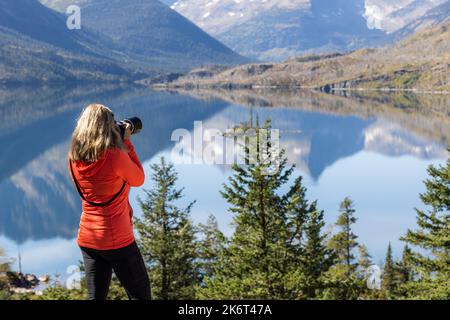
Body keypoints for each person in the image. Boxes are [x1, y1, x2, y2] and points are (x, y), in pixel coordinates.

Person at [67, 104, 150, 300]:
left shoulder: (73, 158)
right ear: (106, 127)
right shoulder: (114, 157)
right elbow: (138, 178)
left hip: (88, 238)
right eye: (113, 124)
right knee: (140, 296)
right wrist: (126, 143)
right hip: (117, 238)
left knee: (96, 297)